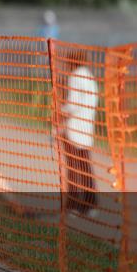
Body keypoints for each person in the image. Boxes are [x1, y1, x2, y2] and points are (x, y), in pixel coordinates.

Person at [58, 49, 99, 217]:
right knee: (86, 167)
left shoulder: (75, 76)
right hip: (87, 129)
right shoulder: (90, 77)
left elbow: (72, 104)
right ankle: (91, 204)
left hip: (73, 129)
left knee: (73, 169)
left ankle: (73, 205)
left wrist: (59, 110)